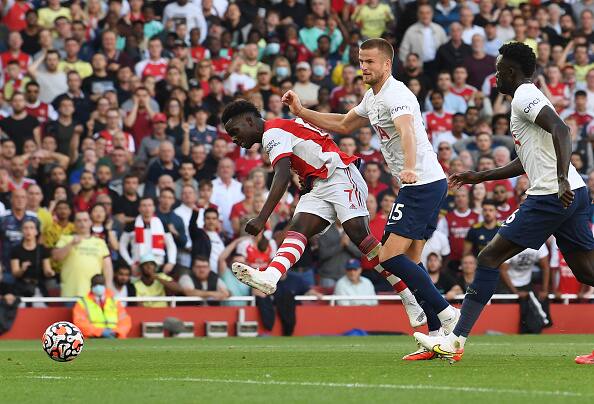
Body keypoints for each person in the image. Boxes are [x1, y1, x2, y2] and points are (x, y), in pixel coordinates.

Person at [415, 42, 594, 362]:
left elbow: (562, 130)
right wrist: (479, 176)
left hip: (553, 194)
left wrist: (562, 178)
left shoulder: (525, 95)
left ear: (511, 72)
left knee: (488, 256)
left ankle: (455, 341)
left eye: (498, 72)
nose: (494, 78)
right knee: (587, 272)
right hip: (572, 193)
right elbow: (528, 159)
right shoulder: (527, 98)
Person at [282, 39, 461, 354]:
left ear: (387, 64)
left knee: (389, 257)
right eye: (361, 61)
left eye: (369, 62)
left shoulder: (398, 95)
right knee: (413, 263)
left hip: (421, 184)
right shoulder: (372, 96)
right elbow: (343, 123)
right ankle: (435, 337)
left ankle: (448, 316)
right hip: (421, 185)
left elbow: (406, 130)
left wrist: (408, 168)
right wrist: (301, 111)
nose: (363, 67)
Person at [222, 99, 425, 328]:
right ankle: (271, 276)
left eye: (235, 132)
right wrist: (307, 176)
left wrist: (262, 217)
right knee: (298, 228)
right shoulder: (281, 127)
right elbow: (313, 146)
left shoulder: (272, 133)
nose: (235, 140)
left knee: (359, 235)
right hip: (320, 183)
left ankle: (409, 296)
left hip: (339, 175)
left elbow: (281, 175)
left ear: (250, 120)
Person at [52, 211, 114, 297]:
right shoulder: (65, 239)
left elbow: (107, 266)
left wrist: (108, 285)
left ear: (90, 222)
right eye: (79, 220)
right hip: (71, 293)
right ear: (74, 223)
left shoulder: (100, 242)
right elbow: (56, 257)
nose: (82, 223)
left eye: (85, 220)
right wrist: (71, 244)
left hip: (95, 293)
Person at [72, 274, 131, 339]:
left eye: (101, 284)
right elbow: (80, 324)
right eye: (96, 284)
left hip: (114, 337)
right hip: (92, 338)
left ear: (105, 285)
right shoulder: (82, 303)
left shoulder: (114, 301)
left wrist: (117, 332)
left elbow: (125, 321)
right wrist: (100, 332)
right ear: (91, 285)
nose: (98, 286)